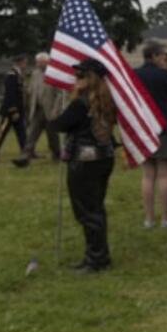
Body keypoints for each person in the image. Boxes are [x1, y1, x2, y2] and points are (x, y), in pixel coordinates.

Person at [49, 58, 117, 272]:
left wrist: (65, 101)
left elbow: (58, 124)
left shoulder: (81, 103)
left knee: (87, 211)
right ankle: (99, 255)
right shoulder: (106, 100)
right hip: (104, 157)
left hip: (84, 161)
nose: (75, 80)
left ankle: (96, 259)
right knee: (96, 208)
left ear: (90, 78)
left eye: (79, 76)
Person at [134, 41, 167, 228]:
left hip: (143, 130)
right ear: (153, 56)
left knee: (147, 175)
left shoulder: (135, 74)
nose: (164, 60)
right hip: (164, 129)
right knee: (164, 174)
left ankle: (148, 219)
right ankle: (166, 219)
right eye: (162, 56)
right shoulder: (164, 75)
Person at [16, 52, 65, 165]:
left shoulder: (54, 74)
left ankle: (56, 154)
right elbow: (31, 89)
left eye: (39, 62)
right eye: (37, 61)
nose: (37, 64)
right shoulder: (35, 74)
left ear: (46, 62)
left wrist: (56, 110)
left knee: (52, 134)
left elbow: (60, 94)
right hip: (37, 109)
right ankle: (25, 156)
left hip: (50, 109)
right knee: (32, 133)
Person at [0, 54, 28, 162]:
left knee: (22, 134)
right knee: (2, 133)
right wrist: (13, 110)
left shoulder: (19, 74)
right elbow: (10, 95)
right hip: (10, 111)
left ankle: (24, 154)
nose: (26, 65)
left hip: (19, 110)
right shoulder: (12, 75)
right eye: (25, 62)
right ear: (19, 62)